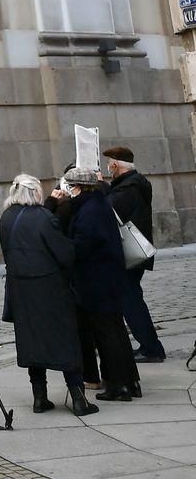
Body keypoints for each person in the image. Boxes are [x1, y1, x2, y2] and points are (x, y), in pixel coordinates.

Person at [0, 174, 97, 416]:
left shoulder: (6, 218)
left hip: (20, 289)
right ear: (35, 193)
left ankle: (39, 399)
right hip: (49, 288)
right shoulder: (43, 218)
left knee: (32, 341)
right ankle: (79, 399)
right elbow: (64, 254)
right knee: (65, 340)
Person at [54, 166, 140, 402]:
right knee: (115, 332)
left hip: (98, 283)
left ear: (78, 187)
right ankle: (128, 382)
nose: (68, 191)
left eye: (70, 186)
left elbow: (81, 247)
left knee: (108, 336)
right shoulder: (96, 204)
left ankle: (118, 385)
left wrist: (64, 247)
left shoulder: (89, 210)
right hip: (106, 280)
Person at [103, 146, 164, 362]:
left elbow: (109, 209)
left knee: (131, 300)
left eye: (109, 163)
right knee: (131, 298)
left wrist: (100, 186)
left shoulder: (128, 188)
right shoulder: (133, 184)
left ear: (116, 165)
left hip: (130, 254)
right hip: (133, 252)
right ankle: (149, 345)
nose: (108, 167)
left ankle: (151, 348)